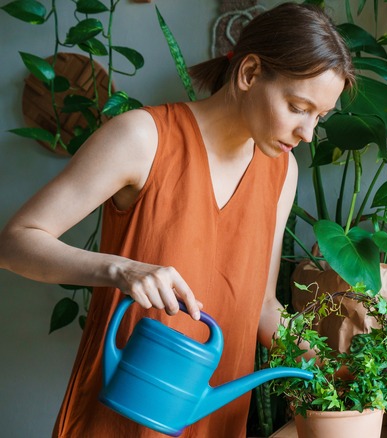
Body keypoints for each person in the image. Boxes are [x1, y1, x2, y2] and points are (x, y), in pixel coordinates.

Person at [0, 3, 354, 437]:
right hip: (123, 419)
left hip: (216, 419)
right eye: (299, 107)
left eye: (319, 116)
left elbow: (261, 306)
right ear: (249, 73)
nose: (307, 133)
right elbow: (16, 242)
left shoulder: (282, 172)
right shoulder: (142, 137)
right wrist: (122, 270)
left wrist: (332, 366)